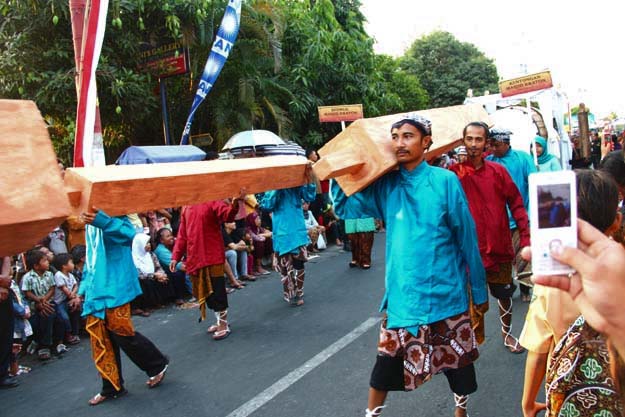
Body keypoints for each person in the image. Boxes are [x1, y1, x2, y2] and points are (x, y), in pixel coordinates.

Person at [332, 114, 488, 417]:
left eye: (408, 136)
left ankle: (461, 411)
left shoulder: (445, 181)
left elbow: (466, 237)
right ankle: (371, 414)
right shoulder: (387, 185)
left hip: (447, 293)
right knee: (384, 367)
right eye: (395, 137)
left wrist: (479, 291)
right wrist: (343, 171)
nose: (400, 143)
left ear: (426, 142)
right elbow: (346, 209)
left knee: (459, 367)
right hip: (404, 297)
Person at [519, 169, 623, 417]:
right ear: (616, 221)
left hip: (569, 394)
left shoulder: (552, 280)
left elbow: (538, 350)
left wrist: (528, 402)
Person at [450, 121, 530, 354]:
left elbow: (517, 204)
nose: (474, 144)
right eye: (469, 139)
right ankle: (469, 342)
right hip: (467, 251)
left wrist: (525, 236)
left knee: (504, 294)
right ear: (463, 142)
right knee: (468, 299)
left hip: (499, 247)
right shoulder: (453, 175)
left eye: (479, 139)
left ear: (487, 143)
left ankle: (507, 334)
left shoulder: (498, 172)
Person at [79, 209, 169, 406]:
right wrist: (83, 287)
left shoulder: (115, 214)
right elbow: (90, 255)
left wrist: (102, 220)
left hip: (116, 285)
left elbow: (131, 237)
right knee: (100, 339)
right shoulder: (88, 223)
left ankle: (156, 364)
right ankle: (111, 387)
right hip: (95, 289)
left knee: (122, 333)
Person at [170, 194, 244, 340]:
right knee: (206, 293)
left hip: (212, 255)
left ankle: (223, 324)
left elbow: (227, 216)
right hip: (195, 257)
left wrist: (235, 203)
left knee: (217, 290)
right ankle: (219, 320)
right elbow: (182, 235)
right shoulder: (186, 206)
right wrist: (175, 256)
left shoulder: (212, 200)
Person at [487, 128, 537, 302]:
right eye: (491, 145)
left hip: (520, 217)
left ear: (507, 143)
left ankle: (525, 289)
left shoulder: (522, 158)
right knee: (503, 258)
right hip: (497, 221)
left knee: (523, 255)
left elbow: (534, 183)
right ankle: (508, 286)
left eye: (497, 145)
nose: (493, 149)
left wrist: (530, 213)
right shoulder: (488, 161)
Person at [261, 169, 316, 307]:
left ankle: (299, 289)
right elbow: (267, 205)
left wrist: (309, 179)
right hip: (282, 232)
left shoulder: (296, 184)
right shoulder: (271, 187)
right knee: (286, 266)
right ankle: (293, 293)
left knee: (299, 264)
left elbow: (310, 196)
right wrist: (277, 188)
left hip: (297, 230)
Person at [21, 249, 58, 360]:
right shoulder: (27, 277)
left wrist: (44, 300)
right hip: (34, 304)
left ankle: (45, 345)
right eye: (45, 261)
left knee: (48, 314)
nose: (48, 263)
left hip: (49, 302)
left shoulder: (49, 274)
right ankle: (37, 341)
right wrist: (38, 300)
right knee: (35, 321)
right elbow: (27, 292)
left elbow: (52, 288)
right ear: (36, 266)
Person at [332, 188, 376, 270]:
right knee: (352, 238)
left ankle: (365, 259)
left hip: (364, 202)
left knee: (366, 235)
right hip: (350, 203)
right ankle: (355, 258)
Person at [132, 233, 176, 309]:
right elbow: (139, 275)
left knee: (167, 275)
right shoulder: (134, 258)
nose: (149, 245)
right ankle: (151, 304)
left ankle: (168, 299)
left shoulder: (151, 254)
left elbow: (158, 266)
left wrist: (161, 274)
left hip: (154, 275)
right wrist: (154, 275)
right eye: (146, 243)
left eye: (149, 243)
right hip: (144, 279)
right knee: (147, 283)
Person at [153, 228, 191, 303]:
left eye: (171, 235)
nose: (171, 237)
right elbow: (176, 265)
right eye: (168, 236)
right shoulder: (161, 250)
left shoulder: (171, 244)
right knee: (178, 273)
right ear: (161, 240)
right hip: (167, 271)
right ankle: (178, 297)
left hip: (175, 266)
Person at [53, 253, 81, 345]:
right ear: (64, 266)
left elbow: (75, 285)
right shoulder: (59, 275)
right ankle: (68, 334)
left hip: (69, 299)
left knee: (76, 311)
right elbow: (64, 289)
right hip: (60, 302)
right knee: (64, 318)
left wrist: (73, 295)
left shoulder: (70, 275)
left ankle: (75, 332)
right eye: (71, 262)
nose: (73, 264)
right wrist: (72, 295)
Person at [0, 255, 19, 388]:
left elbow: (7, 255)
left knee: (5, 333)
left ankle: (3, 373)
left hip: (4, 292)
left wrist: (4, 281)